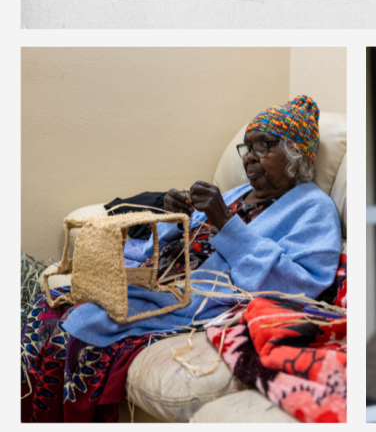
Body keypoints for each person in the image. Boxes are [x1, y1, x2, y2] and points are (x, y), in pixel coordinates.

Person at [21, 96, 339, 423]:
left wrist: (225, 222)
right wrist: (172, 220)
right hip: (156, 278)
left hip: (197, 297)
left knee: (79, 325)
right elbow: (176, 245)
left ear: (295, 154)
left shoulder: (314, 208)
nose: (249, 159)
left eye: (263, 147)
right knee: (51, 303)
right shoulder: (234, 194)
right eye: (247, 148)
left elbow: (301, 284)